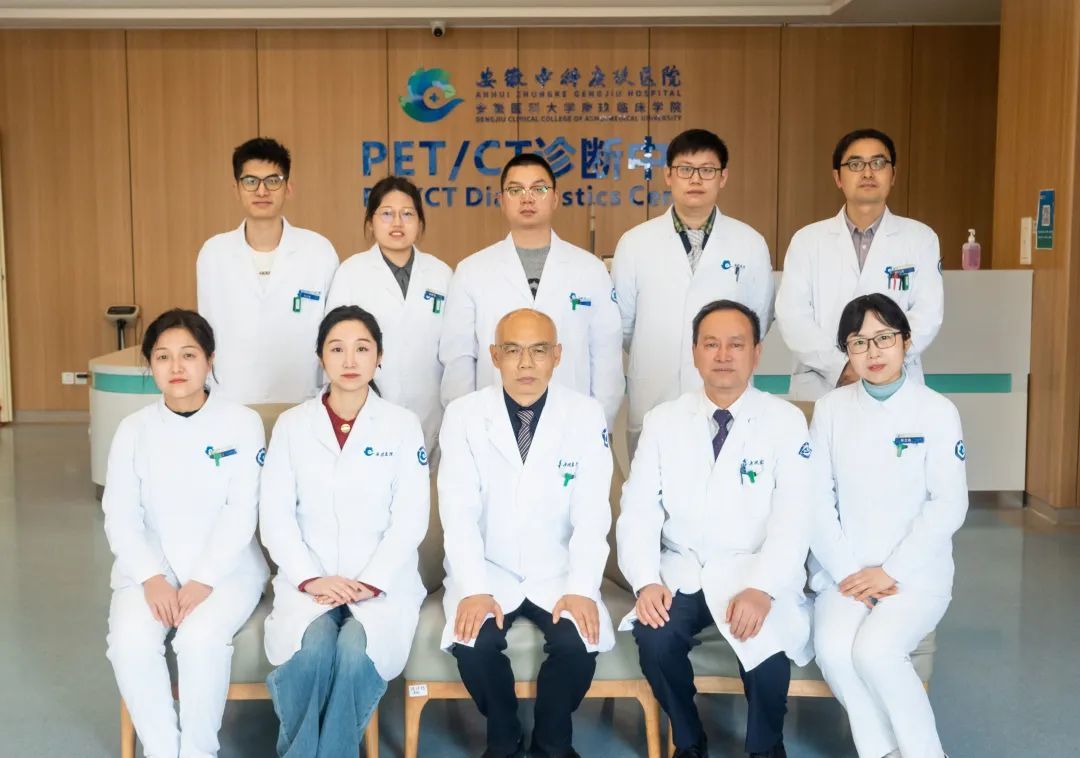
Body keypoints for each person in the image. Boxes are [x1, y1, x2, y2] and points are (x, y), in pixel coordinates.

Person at [617, 300, 815, 758]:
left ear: (756, 353)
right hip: (682, 568)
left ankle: (766, 749)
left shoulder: (784, 422)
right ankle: (689, 741)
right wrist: (646, 581)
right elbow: (638, 510)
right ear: (694, 352)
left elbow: (795, 516)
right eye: (711, 344)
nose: (723, 355)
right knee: (655, 638)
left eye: (736, 344)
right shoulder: (664, 421)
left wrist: (764, 588)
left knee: (765, 647)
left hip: (754, 568)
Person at [438, 308, 615, 758]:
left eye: (538, 351)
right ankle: (504, 739)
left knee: (578, 643)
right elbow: (458, 512)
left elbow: (592, 513)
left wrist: (581, 588)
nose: (525, 364)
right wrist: (474, 589)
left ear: (557, 355)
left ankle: (553, 745)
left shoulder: (585, 414)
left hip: (558, 569)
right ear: (494, 356)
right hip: (488, 567)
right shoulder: (463, 415)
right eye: (513, 351)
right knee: (474, 644)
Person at [259, 305, 429, 758]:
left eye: (362, 349)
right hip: (310, 581)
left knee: (356, 652)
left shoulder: (402, 425)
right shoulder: (293, 426)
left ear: (379, 357)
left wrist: (369, 582)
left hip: (381, 584)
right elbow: (275, 515)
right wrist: (311, 578)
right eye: (337, 349)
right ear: (320, 357)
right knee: (311, 650)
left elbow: (410, 519)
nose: (349, 360)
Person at [103, 308, 269, 758]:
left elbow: (242, 511)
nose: (176, 367)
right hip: (149, 569)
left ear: (209, 360)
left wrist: (203, 579)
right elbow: (119, 514)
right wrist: (151, 577)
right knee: (129, 643)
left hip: (227, 571)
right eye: (163, 357)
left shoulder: (242, 423)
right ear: (150, 364)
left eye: (188, 355)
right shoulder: (132, 430)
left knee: (199, 639)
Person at [809, 293, 968, 758]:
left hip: (915, 575)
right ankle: (884, 752)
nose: (873, 352)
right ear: (847, 351)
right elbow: (815, 501)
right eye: (858, 342)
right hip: (846, 574)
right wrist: (848, 572)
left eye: (884, 338)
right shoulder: (831, 409)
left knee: (875, 651)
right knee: (834, 650)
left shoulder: (937, 411)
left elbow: (949, 505)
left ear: (906, 341)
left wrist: (891, 571)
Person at [612, 129, 775, 456]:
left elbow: (758, 318)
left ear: (723, 177)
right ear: (668, 175)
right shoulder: (634, 243)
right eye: (685, 169)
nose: (696, 179)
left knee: (728, 480)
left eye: (707, 170)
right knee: (654, 481)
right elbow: (623, 326)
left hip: (728, 393)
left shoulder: (750, 243)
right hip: (656, 391)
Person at [439, 154, 624, 429]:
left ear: (555, 198)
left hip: (573, 426)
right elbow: (458, 360)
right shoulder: (471, 271)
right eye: (515, 190)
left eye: (539, 189)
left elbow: (607, 358)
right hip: (492, 427)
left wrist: (596, 426)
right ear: (501, 200)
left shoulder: (590, 270)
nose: (527, 198)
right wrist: (468, 427)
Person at [775, 128, 944, 401]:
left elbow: (927, 315)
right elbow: (792, 316)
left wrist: (881, 363)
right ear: (837, 177)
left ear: (893, 174)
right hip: (823, 382)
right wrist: (842, 366)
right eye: (855, 164)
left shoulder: (921, 238)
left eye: (878, 163)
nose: (867, 173)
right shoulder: (807, 240)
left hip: (895, 385)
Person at [196, 137, 339, 404]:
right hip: (231, 400)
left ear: (288, 188)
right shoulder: (213, 253)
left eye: (273, 180)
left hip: (303, 400)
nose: (262, 191)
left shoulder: (319, 251)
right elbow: (204, 332)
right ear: (236, 189)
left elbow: (334, 331)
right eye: (251, 181)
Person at [326, 176, 452, 454]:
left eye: (407, 214)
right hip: (368, 407)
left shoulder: (441, 274)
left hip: (431, 409)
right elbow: (333, 344)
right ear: (371, 222)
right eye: (386, 214)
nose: (397, 222)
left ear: (420, 222)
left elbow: (454, 348)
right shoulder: (351, 272)